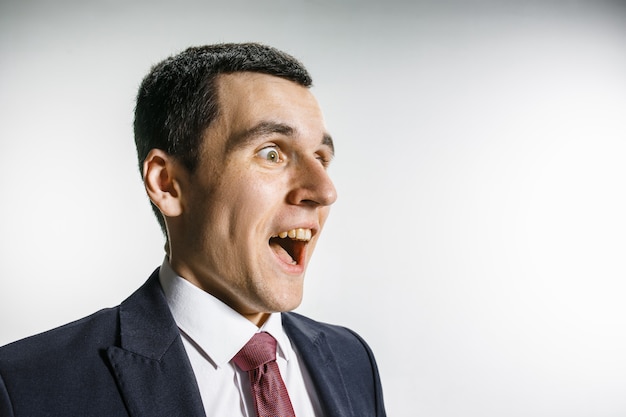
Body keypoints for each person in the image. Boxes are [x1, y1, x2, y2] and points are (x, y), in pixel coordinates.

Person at [0, 43, 386, 417]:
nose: (324, 191)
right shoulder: (27, 386)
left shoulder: (352, 359)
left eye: (322, 157)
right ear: (167, 184)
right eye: (272, 152)